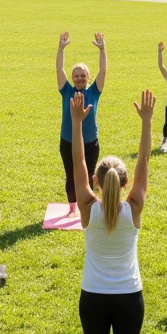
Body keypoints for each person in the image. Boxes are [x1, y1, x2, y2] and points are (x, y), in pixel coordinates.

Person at [70, 88, 152, 334]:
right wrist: (147, 123)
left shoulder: (87, 207)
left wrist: (76, 125)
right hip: (129, 298)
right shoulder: (133, 207)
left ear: (98, 183)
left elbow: (77, 165)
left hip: (93, 298)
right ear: (121, 182)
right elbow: (144, 162)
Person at [56, 31, 107, 213]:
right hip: (68, 140)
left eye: (83, 75)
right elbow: (59, 69)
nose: (79, 78)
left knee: (90, 175)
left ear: (88, 77)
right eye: (76, 76)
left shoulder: (94, 91)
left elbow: (103, 71)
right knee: (70, 175)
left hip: (90, 142)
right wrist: (61, 48)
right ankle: (72, 209)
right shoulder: (66, 91)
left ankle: (87, 208)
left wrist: (102, 49)